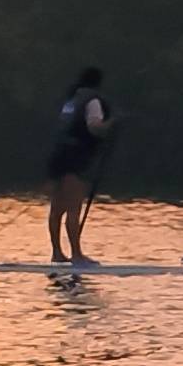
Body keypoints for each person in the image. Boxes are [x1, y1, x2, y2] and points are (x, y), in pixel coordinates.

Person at [46, 66, 112, 263]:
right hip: (75, 159)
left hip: (58, 157)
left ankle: (57, 253)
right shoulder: (93, 101)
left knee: (57, 209)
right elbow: (94, 127)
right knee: (74, 207)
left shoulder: (71, 101)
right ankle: (77, 255)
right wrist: (112, 124)